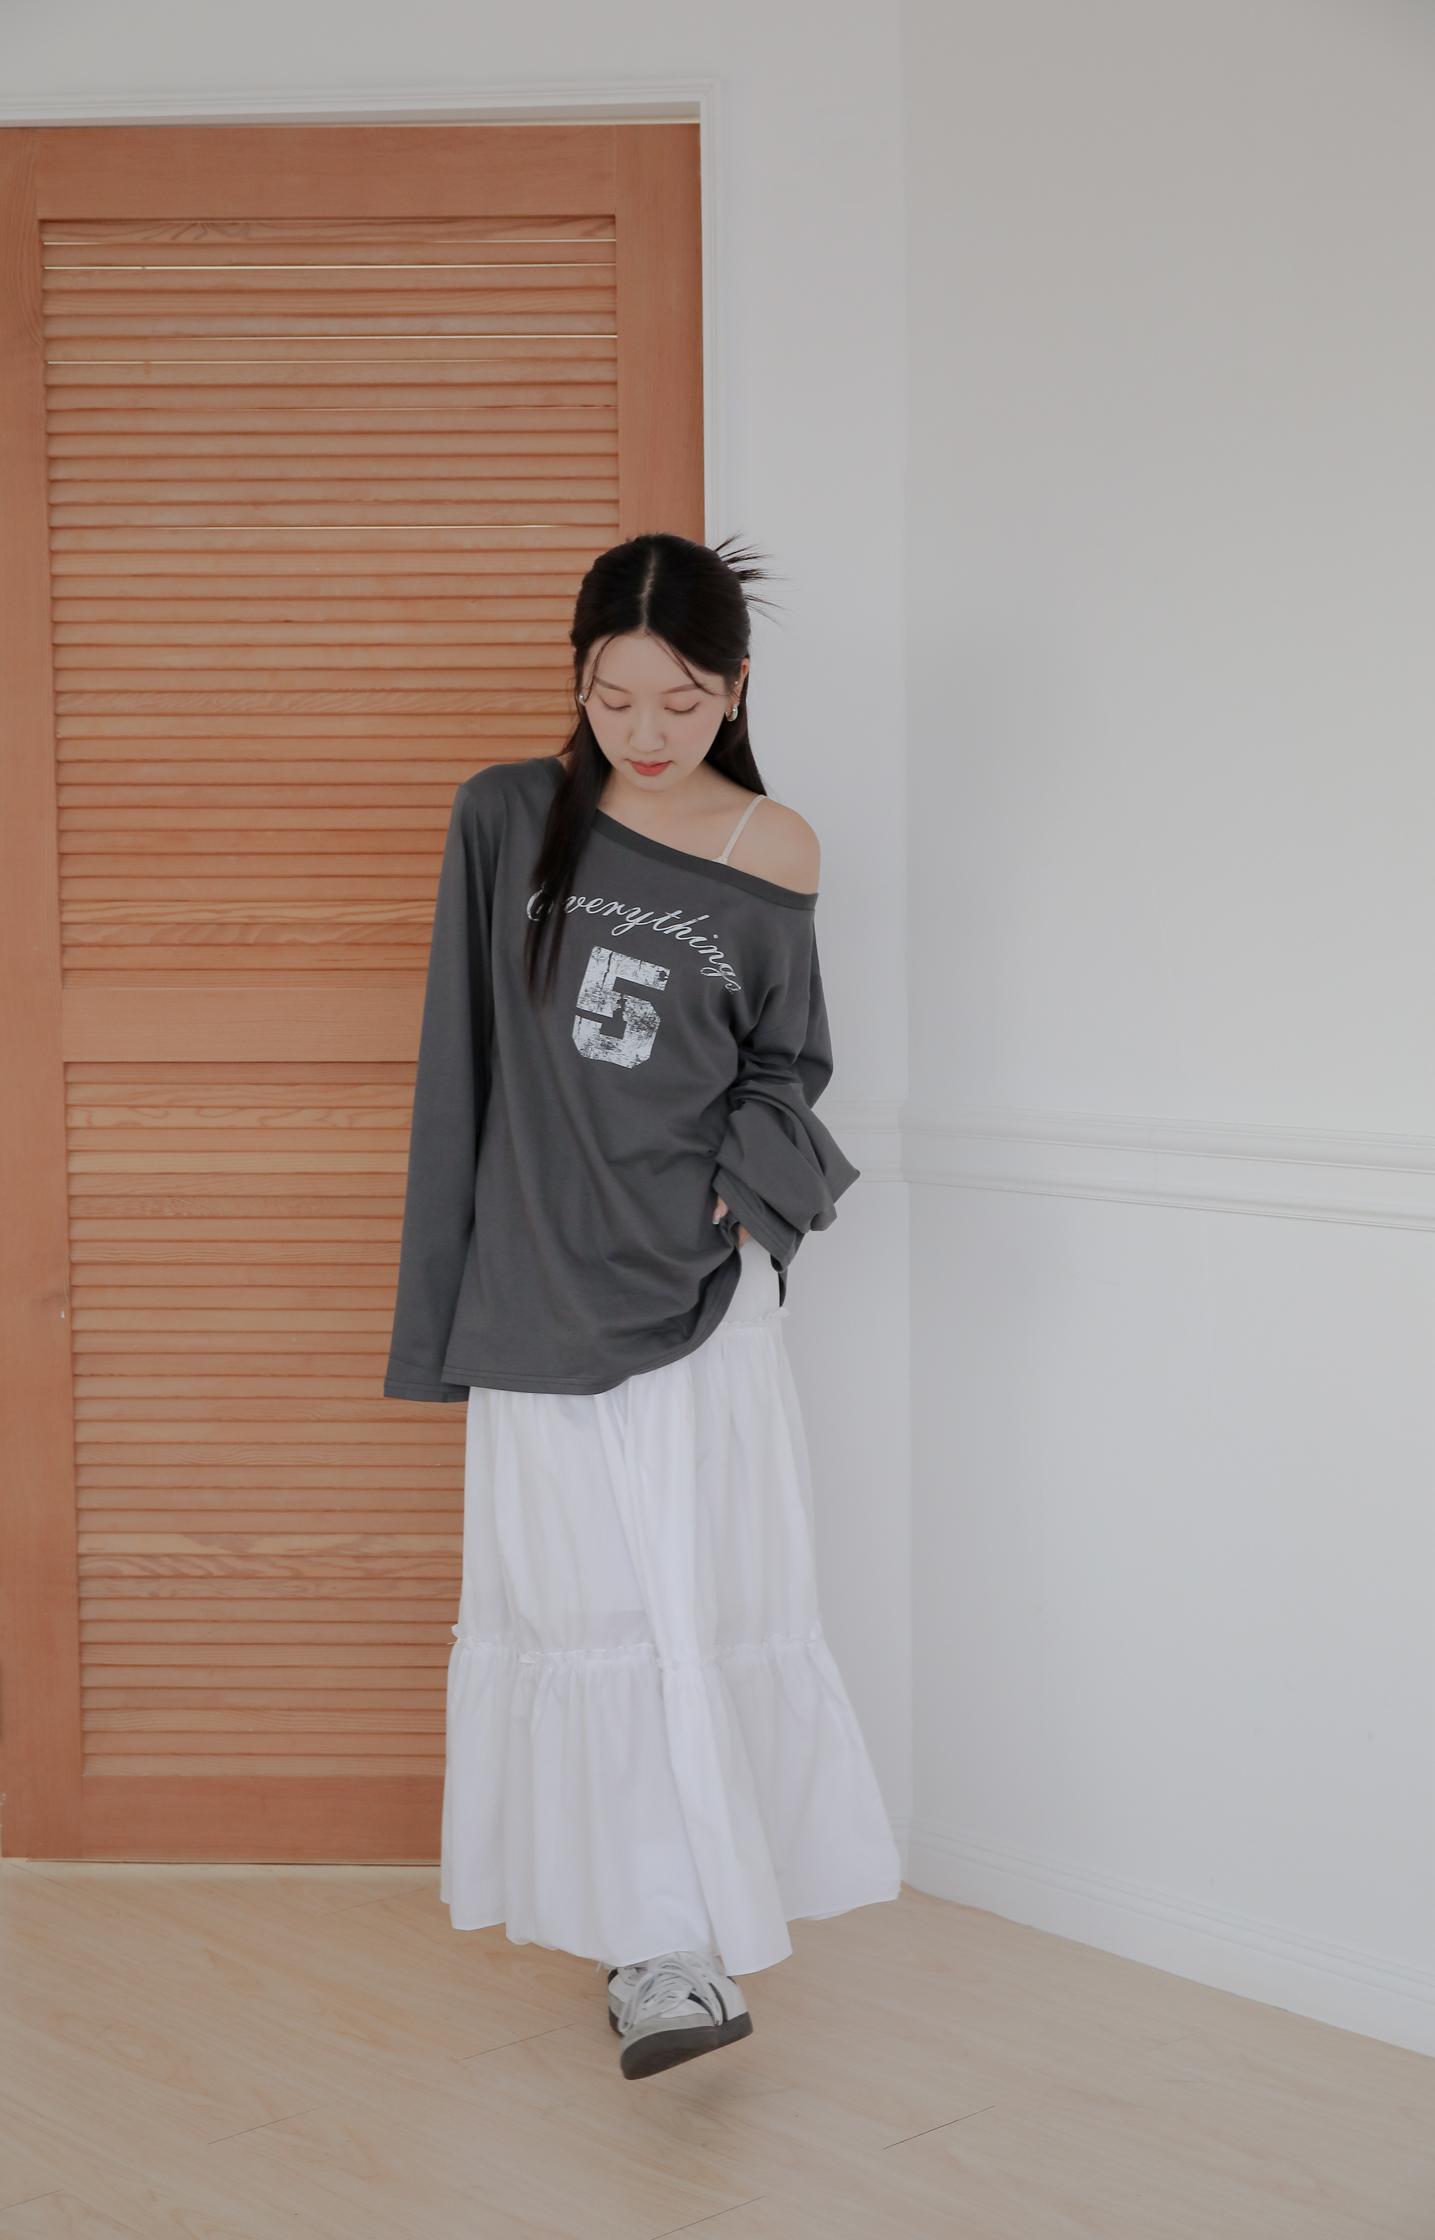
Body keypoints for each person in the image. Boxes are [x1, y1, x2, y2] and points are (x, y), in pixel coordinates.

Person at [385, 533, 901, 2081]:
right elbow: (459, 1069)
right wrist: (449, 1295)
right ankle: (639, 1935)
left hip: (701, 1286)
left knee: (696, 1600)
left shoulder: (771, 845)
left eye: (680, 700)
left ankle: (686, 1948)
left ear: (734, 688)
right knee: (585, 1613)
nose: (646, 731)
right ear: (579, 683)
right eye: (613, 699)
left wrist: (748, 1192)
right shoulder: (506, 817)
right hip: (539, 1280)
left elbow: (783, 1064)